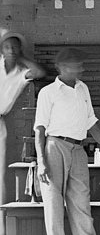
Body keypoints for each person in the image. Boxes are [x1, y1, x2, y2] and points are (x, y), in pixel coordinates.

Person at [34, 48, 100, 235]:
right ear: (63, 67)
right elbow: (39, 128)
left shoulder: (83, 88)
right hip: (54, 147)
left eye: (81, 65)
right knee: (53, 204)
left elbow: (91, 123)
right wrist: (41, 162)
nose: (81, 69)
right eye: (77, 65)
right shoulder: (48, 92)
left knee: (81, 202)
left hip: (78, 149)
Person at [0, 30, 45, 205]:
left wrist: (22, 57)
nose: (10, 50)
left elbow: (39, 72)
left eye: (14, 47)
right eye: (7, 47)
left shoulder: (21, 72)